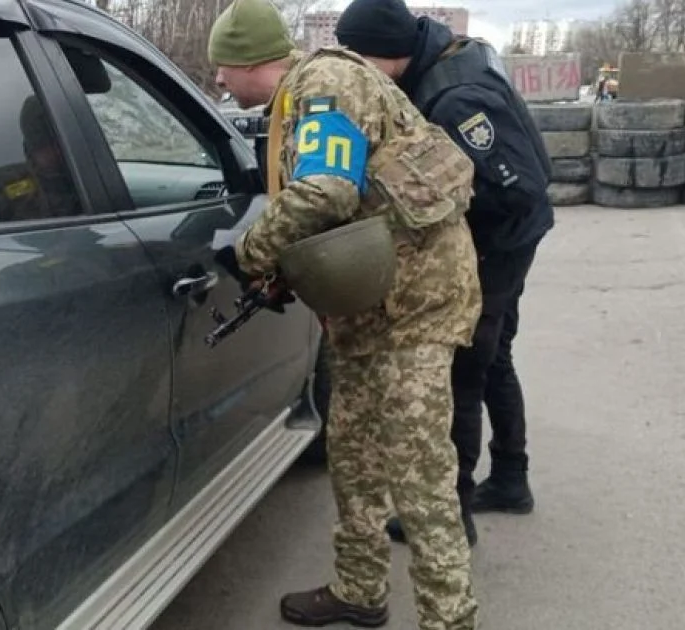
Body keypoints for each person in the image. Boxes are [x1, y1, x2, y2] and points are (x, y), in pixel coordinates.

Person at [206, 0, 483, 627]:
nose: (220, 82)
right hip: (366, 304)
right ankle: (360, 590)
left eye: (223, 68)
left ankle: (450, 620)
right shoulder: (296, 100)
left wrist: (251, 255)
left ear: (251, 62)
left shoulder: (326, 84)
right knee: (354, 454)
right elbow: (342, 202)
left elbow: (325, 191)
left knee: (419, 474)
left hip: (415, 306)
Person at [333, 0, 554, 546]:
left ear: (386, 53)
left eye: (358, 59)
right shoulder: (440, 59)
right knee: (496, 357)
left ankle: (453, 511)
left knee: (461, 370)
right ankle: (510, 478)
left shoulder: (454, 99)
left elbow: (518, 186)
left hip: (496, 247)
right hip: (512, 240)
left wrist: (448, 220)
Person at [0, 95, 80, 225]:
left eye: (59, 144)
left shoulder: (86, 176)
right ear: (31, 147)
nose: (57, 152)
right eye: (46, 145)